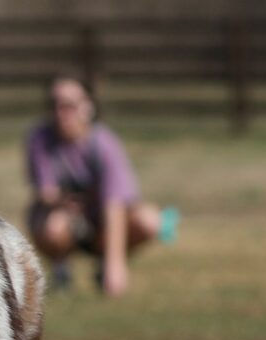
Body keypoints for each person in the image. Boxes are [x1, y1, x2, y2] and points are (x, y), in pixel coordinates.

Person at [26, 74, 179, 296]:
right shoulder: (41, 138)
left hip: (104, 221)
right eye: (54, 105)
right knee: (53, 226)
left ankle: (103, 264)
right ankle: (61, 267)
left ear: (87, 107)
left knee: (151, 220)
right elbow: (45, 193)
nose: (61, 112)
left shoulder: (104, 143)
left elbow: (115, 206)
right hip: (66, 219)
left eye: (69, 105)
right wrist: (65, 203)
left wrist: (114, 266)